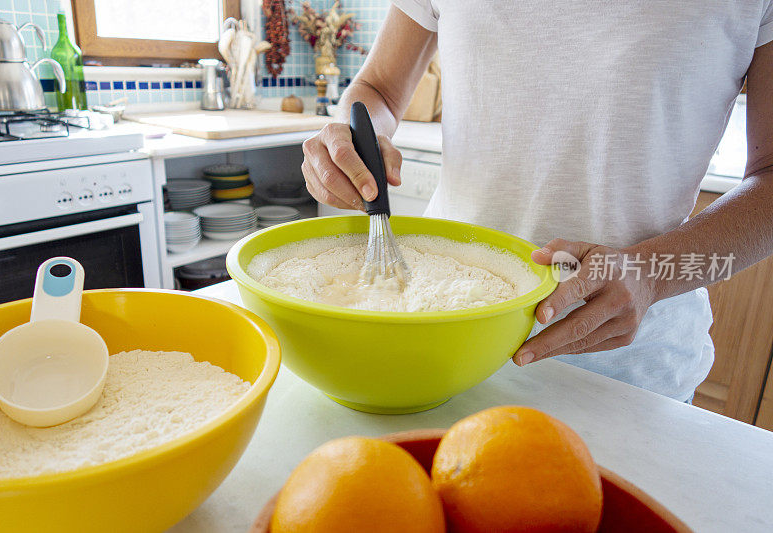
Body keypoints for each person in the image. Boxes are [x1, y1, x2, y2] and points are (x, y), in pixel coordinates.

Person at [299, 1, 773, 402]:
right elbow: (378, 88)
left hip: (618, 364)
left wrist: (647, 273)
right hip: (435, 333)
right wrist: (352, 142)